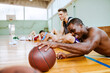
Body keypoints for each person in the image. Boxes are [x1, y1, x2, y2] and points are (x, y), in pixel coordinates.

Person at [38, 18, 110, 59]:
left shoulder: (94, 31)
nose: (72, 34)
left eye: (73, 30)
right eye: (71, 32)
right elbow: (82, 52)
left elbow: (87, 49)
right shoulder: (82, 36)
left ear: (80, 25)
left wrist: (57, 44)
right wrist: (66, 55)